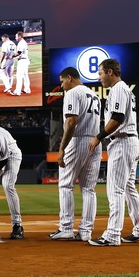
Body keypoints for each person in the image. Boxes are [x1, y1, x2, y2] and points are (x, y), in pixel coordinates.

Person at [87, 58, 139, 246]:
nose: (99, 77)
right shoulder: (124, 90)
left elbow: (117, 118)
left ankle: (112, 235)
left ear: (109, 72)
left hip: (123, 143)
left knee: (115, 190)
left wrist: (98, 136)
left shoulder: (118, 89)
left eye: (100, 73)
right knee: (129, 189)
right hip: (130, 141)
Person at [49, 67, 101, 241]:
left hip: (78, 140)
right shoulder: (94, 94)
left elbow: (71, 121)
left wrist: (62, 147)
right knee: (88, 189)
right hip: (95, 141)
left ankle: (66, 228)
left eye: (62, 81)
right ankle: (86, 231)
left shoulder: (72, 92)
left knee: (65, 185)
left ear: (69, 78)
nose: (62, 85)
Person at [12, 31, 31, 96]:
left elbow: (19, 53)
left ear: (20, 36)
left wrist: (11, 56)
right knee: (25, 75)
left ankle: (17, 91)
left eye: (16, 36)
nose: (15, 38)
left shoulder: (21, 43)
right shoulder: (23, 42)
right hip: (25, 60)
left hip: (22, 61)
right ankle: (27, 89)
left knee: (19, 75)